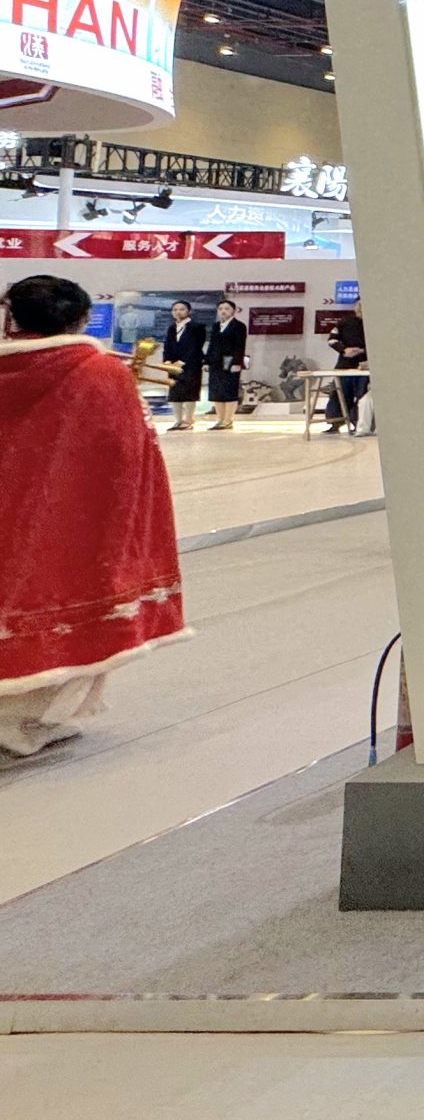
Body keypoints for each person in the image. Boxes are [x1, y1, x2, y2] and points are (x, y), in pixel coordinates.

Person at [0, 275, 187, 758]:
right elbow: (127, 456)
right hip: (71, 520)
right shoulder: (99, 372)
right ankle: (29, 723)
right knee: (68, 611)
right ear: (81, 318)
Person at [161, 299, 207, 432]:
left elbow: (195, 347)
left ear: (189, 311)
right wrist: (167, 361)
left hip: (191, 365)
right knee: (175, 393)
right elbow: (167, 346)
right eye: (175, 310)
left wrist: (181, 362)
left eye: (182, 309)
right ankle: (178, 421)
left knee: (189, 392)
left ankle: (189, 420)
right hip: (173, 367)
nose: (178, 312)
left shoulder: (197, 327)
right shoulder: (171, 328)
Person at [322, 300, 368, 435]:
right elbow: (332, 340)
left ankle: (359, 424)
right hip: (344, 365)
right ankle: (334, 423)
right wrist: (344, 350)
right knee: (338, 395)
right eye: (359, 305)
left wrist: (363, 350)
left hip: (365, 366)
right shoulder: (345, 322)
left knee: (362, 396)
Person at [204, 298, 247, 430]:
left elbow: (240, 346)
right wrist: (206, 361)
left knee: (229, 390)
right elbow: (211, 345)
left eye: (227, 309)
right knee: (216, 391)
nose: (223, 311)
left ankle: (228, 420)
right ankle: (220, 419)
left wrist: (237, 362)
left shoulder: (239, 326)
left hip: (230, 360)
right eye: (221, 309)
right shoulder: (216, 326)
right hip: (215, 361)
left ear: (233, 311)